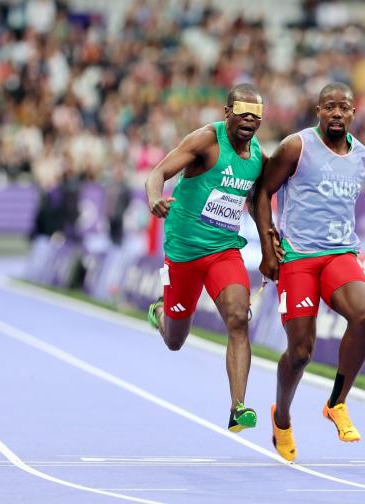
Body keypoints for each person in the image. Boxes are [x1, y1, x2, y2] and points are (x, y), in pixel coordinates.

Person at [254, 82, 365, 461]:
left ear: (354, 113)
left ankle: (336, 402)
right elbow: (260, 192)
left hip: (340, 252)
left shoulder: (362, 155)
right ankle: (283, 418)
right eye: (329, 107)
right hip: (298, 256)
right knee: (301, 352)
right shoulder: (297, 146)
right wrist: (267, 246)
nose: (337, 113)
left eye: (344, 107)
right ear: (318, 111)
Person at [144, 83, 268, 433]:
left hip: (223, 251)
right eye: (243, 112)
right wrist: (155, 198)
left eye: (256, 114)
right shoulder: (206, 141)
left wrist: (271, 250)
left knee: (238, 318)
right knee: (174, 341)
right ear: (227, 112)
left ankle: (238, 407)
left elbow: (258, 207)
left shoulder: (258, 157)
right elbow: (157, 173)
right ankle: (160, 311)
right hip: (183, 252)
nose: (249, 120)